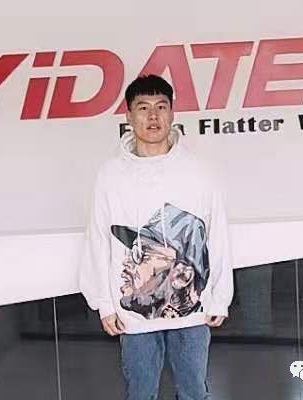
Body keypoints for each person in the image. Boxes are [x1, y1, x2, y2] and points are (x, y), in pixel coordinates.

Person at [79, 74, 233, 400]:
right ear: (128, 115)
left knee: (194, 393)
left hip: (192, 313)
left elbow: (217, 235)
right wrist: (103, 303)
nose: (153, 116)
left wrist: (220, 296)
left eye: (161, 107)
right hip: (133, 316)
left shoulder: (198, 171)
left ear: (172, 113)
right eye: (143, 107)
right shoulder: (111, 174)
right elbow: (98, 239)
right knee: (140, 393)